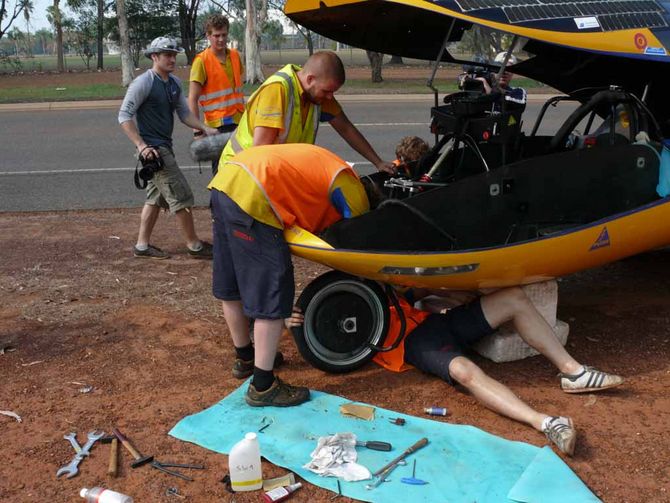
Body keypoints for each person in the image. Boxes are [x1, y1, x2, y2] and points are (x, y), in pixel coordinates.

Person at [286, 286, 624, 456]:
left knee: (515, 297)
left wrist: (446, 290)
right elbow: (321, 345)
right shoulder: (338, 299)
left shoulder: (381, 272)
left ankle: (573, 372)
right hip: (415, 345)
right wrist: (296, 326)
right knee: (464, 371)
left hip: (439, 322)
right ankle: (548, 423)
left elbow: (424, 288)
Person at [209, 143, 371, 407]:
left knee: (234, 284)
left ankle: (245, 357)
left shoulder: (329, 163)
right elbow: (354, 233)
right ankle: (263, 386)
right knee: (272, 292)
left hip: (225, 185)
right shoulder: (352, 188)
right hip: (255, 196)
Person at [119, 36, 219, 260]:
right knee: (181, 195)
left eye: (174, 55)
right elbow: (124, 116)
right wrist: (142, 146)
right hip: (154, 152)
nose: (172, 59)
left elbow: (184, 113)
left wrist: (204, 127)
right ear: (154, 57)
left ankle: (142, 246)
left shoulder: (173, 83)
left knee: (155, 198)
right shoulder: (144, 83)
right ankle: (194, 245)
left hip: (165, 147)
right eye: (167, 55)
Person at [218, 50, 395, 174]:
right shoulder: (277, 90)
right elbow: (260, 154)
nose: (330, 97)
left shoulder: (317, 94)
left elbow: (346, 128)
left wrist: (377, 162)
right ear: (310, 79)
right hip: (239, 171)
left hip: (264, 170)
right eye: (327, 91)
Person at [188, 14, 245, 175]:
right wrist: (198, 131)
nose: (220, 39)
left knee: (239, 169)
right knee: (221, 172)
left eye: (224, 35)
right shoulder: (201, 61)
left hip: (239, 121)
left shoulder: (235, 56)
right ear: (208, 35)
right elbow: (192, 99)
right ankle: (217, 201)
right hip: (216, 127)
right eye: (216, 35)